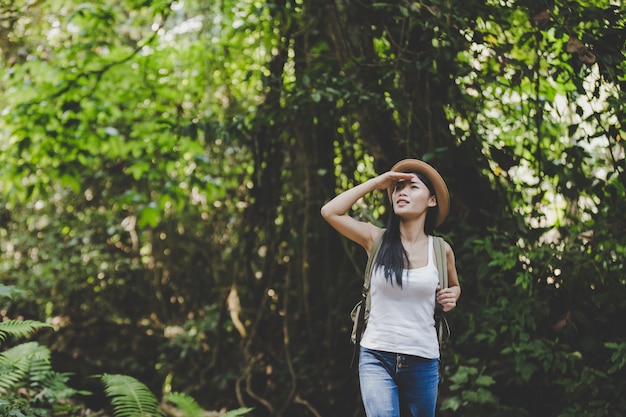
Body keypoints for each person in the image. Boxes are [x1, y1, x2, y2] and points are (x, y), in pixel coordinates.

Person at [320, 159, 461, 417]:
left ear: (432, 200)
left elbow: (454, 288)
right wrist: (377, 182)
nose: (402, 192)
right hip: (376, 355)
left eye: (412, 187)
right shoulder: (376, 240)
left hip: (423, 358)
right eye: (398, 188)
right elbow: (330, 212)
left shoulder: (441, 250)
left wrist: (453, 296)